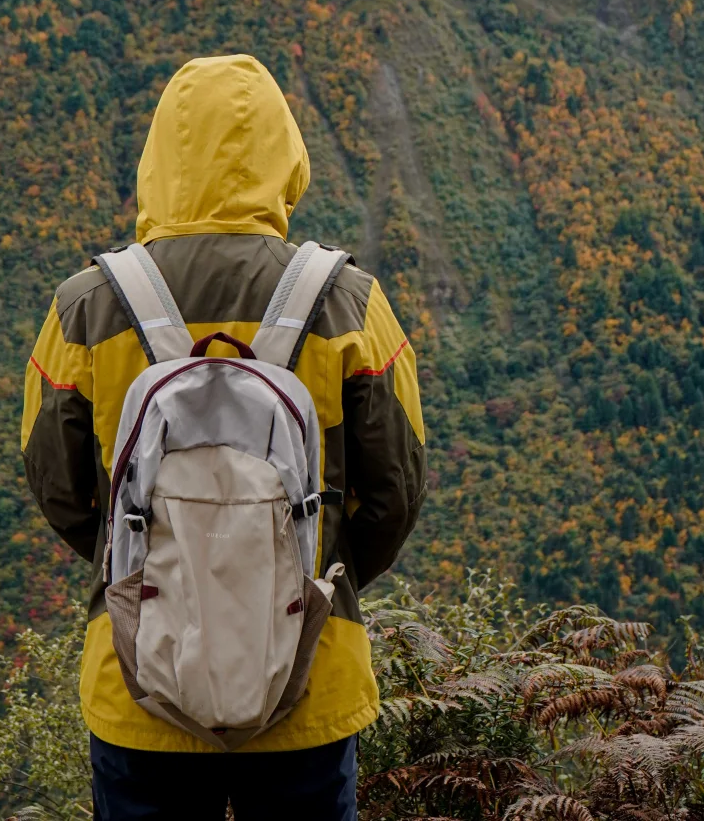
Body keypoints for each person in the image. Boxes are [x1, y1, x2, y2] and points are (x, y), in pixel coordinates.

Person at [22, 53, 426, 821]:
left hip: (140, 684)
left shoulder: (85, 308)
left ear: (158, 158)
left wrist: (148, 569)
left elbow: (61, 488)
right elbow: (396, 492)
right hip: (307, 683)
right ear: (287, 157)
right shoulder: (349, 303)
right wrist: (307, 578)